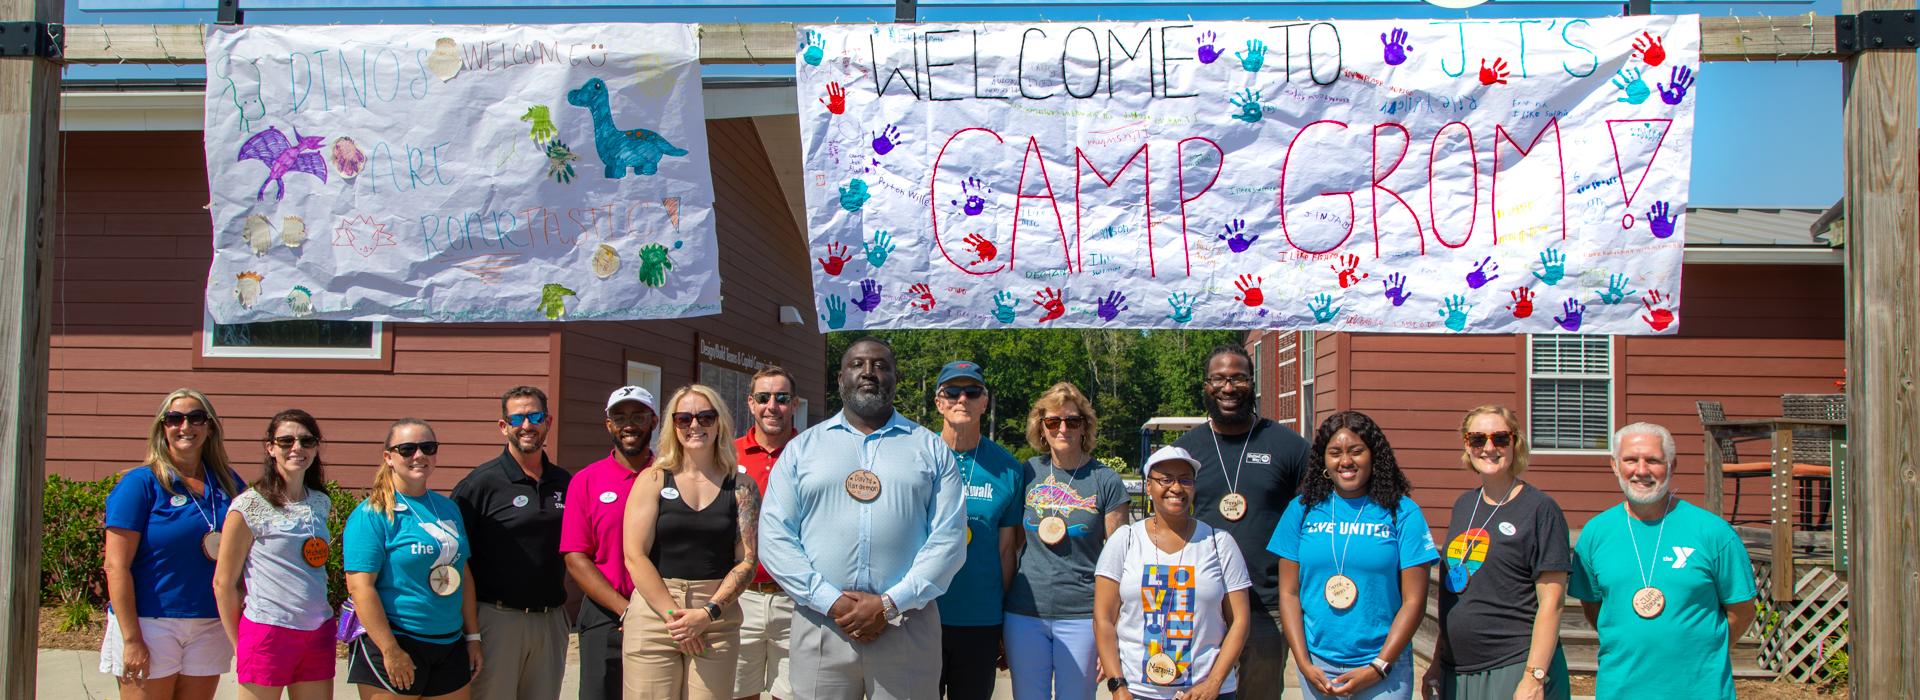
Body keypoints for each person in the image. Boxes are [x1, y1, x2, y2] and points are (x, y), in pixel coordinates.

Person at [758, 337, 966, 700]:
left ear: (895, 379)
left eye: (881, 365)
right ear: (840, 379)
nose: (869, 372)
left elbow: (948, 541)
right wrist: (831, 602)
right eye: (857, 365)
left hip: (906, 626)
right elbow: (775, 539)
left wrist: (889, 605)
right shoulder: (802, 450)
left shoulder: (931, 449)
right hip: (822, 624)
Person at [1569, 422, 1757, 700]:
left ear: (1672, 465)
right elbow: (1594, 608)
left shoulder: (1713, 532)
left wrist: (1700, 648)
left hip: (1700, 690)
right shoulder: (1596, 533)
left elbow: (1742, 611)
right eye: (1631, 460)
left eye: (1653, 460)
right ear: (1614, 465)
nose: (1641, 470)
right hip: (1621, 690)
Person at [1172, 344, 1313, 697]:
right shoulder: (1186, 451)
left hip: (1267, 609)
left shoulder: (1288, 447)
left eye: (1238, 378)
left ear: (1252, 383)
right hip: (1204, 608)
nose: (1228, 388)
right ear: (1206, 386)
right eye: (1219, 379)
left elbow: (1314, 518)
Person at [1270, 411, 1438, 700]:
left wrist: (1379, 666)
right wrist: (1303, 662)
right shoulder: (1302, 509)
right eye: (1335, 452)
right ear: (1323, 460)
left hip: (1384, 669)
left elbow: (1414, 601)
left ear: (1374, 456)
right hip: (1318, 669)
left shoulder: (1402, 512)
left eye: (1356, 451)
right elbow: (1288, 593)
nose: (1345, 461)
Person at [101, 388, 247, 700]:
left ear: (210, 428)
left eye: (196, 418)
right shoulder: (140, 484)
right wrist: (131, 638)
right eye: (175, 418)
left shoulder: (228, 483)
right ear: (162, 427)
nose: (186, 426)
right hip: (150, 622)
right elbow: (116, 566)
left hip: (209, 620)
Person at [622, 384, 763, 700]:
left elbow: (747, 559)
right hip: (655, 614)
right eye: (684, 419)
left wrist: (707, 613)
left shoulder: (741, 486)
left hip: (715, 616)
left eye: (705, 417)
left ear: (719, 422)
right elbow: (634, 555)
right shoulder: (654, 479)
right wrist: (676, 619)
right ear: (673, 425)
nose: (695, 426)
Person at [1423, 405, 1572, 700]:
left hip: (1513, 666)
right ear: (1467, 445)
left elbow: (1552, 603)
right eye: (1478, 439)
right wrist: (1438, 663)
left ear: (1515, 443)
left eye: (1500, 438)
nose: (1489, 448)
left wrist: (1534, 678)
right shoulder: (1465, 505)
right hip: (1458, 669)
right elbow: (1456, 594)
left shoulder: (1540, 509)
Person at [1005, 381, 1131, 700]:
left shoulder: (1106, 481)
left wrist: (1112, 633)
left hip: (1082, 615)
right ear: (1041, 427)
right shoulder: (1027, 473)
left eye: (1072, 421)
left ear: (1084, 427)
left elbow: (1120, 563)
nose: (1063, 428)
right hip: (1024, 612)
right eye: (1053, 421)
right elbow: (1012, 546)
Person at [1094, 446, 1252, 700]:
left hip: (1206, 693)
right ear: (1148, 486)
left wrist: (1214, 683)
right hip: (1138, 691)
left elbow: (1240, 621)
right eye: (1165, 479)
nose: (1176, 488)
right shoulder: (1125, 540)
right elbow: (1103, 618)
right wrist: (1117, 685)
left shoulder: (1219, 542)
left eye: (1185, 480)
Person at [343, 418, 483, 699]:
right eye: (407, 449)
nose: (419, 456)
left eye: (428, 447)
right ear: (389, 457)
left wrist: (473, 637)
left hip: (449, 641)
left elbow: (462, 574)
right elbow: (360, 587)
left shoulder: (447, 509)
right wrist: (390, 650)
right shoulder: (372, 514)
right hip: (397, 640)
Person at [452, 386, 572, 700]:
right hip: (498, 620)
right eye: (517, 418)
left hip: (551, 620)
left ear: (548, 421)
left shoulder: (565, 483)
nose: (526, 425)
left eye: (534, 416)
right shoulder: (479, 484)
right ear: (504, 426)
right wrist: (471, 632)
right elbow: (455, 559)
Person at [213, 409, 337, 700]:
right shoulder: (249, 505)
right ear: (270, 448)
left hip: (318, 630)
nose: (297, 448)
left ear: (316, 448)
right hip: (268, 631)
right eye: (286, 441)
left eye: (306, 441)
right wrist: (240, 643)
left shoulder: (321, 502)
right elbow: (223, 583)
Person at [928, 360, 1024, 700]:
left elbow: (1006, 552)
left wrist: (1005, 619)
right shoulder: (917, 456)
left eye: (972, 392)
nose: (961, 399)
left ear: (985, 402)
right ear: (938, 401)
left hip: (980, 619)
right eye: (952, 392)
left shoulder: (1008, 469)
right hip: (923, 613)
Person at [561, 385, 660, 700]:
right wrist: (624, 610)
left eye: (638, 416)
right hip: (606, 613)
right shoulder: (586, 480)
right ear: (608, 425)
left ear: (654, 421)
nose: (629, 424)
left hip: (664, 614)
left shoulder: (671, 476)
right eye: (619, 416)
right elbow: (576, 556)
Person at [732, 368, 799, 700]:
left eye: (782, 398)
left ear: (794, 404)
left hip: (796, 600)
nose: (773, 406)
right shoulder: (726, 456)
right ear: (750, 403)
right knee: (737, 693)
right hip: (739, 598)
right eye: (764, 397)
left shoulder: (812, 452)